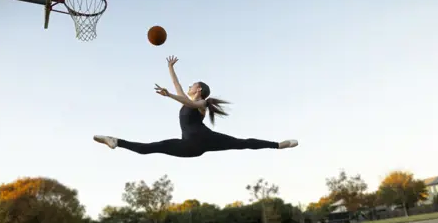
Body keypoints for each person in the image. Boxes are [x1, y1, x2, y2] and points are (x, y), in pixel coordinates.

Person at [93, 55, 298, 157]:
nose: (190, 86)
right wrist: (170, 68)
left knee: (242, 142)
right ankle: (115, 141)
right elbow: (178, 86)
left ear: (199, 90)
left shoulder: (201, 104)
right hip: (190, 147)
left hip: (204, 139)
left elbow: (184, 99)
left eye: (194, 84)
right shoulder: (189, 100)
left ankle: (278, 145)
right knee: (148, 149)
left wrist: (169, 95)